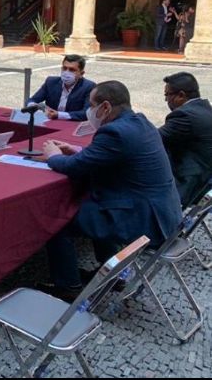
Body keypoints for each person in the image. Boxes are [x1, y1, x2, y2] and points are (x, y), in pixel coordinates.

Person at [37, 81, 182, 301]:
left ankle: (68, 285)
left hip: (143, 218)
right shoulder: (140, 122)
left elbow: (74, 168)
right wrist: (79, 150)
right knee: (94, 207)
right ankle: (114, 272)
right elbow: (115, 155)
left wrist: (53, 155)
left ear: (105, 107)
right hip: (162, 211)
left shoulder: (114, 132)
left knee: (58, 221)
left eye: (92, 105)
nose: (89, 110)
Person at [160, 72, 212, 207]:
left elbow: (153, 140)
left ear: (181, 95)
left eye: (167, 95)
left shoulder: (185, 116)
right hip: (206, 179)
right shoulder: (205, 108)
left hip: (190, 184)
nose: (166, 100)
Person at [28, 54, 96, 121]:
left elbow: (86, 113)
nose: (67, 72)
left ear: (81, 74)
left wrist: (59, 115)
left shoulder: (89, 87)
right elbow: (32, 100)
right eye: (64, 68)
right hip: (50, 123)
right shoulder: (51, 82)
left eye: (72, 70)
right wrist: (32, 106)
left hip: (72, 125)